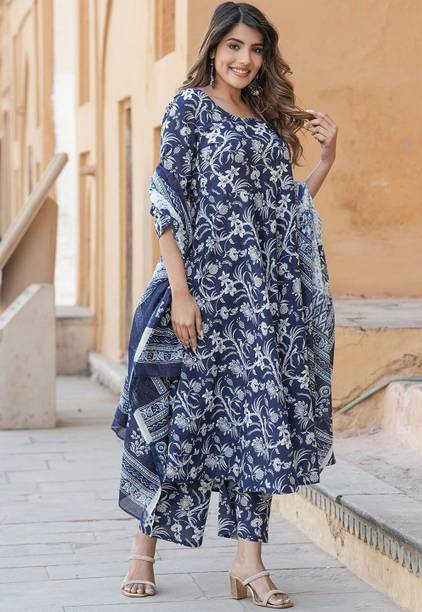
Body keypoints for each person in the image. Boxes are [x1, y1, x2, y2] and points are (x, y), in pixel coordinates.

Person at [111, 1, 338, 608]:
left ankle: (248, 562)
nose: (245, 59)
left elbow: (285, 212)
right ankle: (142, 552)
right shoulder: (189, 107)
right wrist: (181, 294)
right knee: (174, 421)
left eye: (256, 49)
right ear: (214, 48)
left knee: (254, 424)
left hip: (258, 306)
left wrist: (325, 161)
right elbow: (166, 200)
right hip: (199, 293)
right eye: (235, 46)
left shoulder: (264, 123)